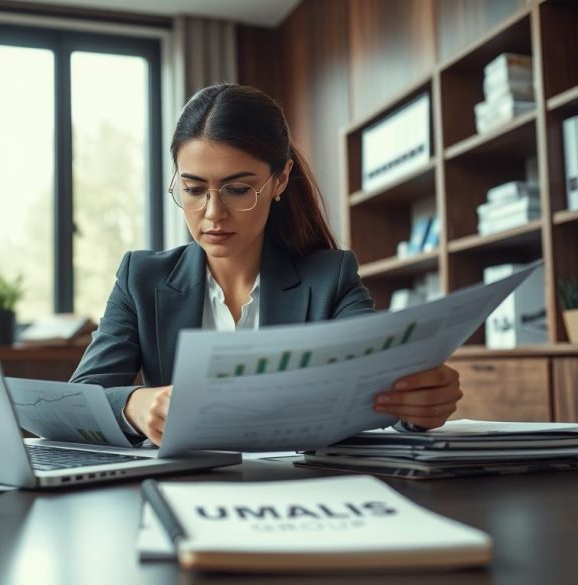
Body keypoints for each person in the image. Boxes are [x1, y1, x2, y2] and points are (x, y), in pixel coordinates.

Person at [70, 83, 461, 446]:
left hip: (301, 492)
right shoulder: (141, 278)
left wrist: (419, 405)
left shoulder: (330, 277)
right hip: (182, 488)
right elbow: (78, 402)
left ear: (280, 180)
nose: (212, 215)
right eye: (193, 189)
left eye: (238, 190)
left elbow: (377, 383)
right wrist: (134, 405)